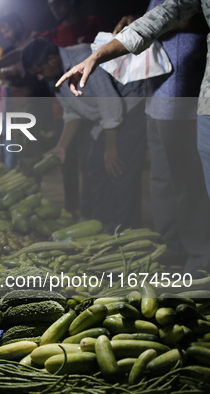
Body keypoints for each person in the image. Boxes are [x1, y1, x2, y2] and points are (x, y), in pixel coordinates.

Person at [57, 0, 210, 275]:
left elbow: (174, 17)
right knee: (161, 179)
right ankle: (170, 247)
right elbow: (162, 15)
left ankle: (199, 256)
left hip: (183, 85)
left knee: (187, 181)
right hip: (158, 90)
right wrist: (100, 53)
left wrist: (160, 24)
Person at [22, 38, 146, 231]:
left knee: (119, 170)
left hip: (128, 108)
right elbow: (72, 113)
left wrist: (111, 148)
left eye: (39, 71)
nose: (39, 77)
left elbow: (110, 104)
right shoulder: (56, 75)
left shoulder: (84, 60)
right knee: (94, 165)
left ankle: (125, 233)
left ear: (52, 60)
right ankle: (101, 224)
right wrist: (62, 146)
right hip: (101, 119)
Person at [41, 0, 106, 220]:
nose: (54, 9)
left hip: (102, 104)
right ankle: (76, 207)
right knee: (73, 160)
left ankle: (96, 214)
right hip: (73, 107)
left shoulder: (92, 25)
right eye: (50, 5)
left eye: (58, 4)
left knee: (95, 163)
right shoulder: (52, 34)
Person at [41, 0, 106, 47]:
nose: (54, 9)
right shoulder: (53, 35)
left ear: (71, 1)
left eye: (58, 4)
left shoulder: (92, 23)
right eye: (51, 6)